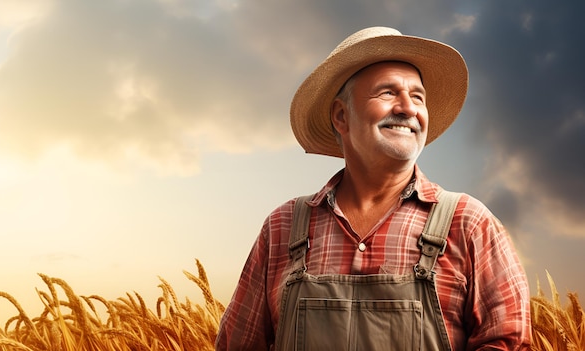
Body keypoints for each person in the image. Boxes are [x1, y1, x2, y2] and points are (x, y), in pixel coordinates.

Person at [216, 27, 531, 350]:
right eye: (388, 93)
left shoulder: (468, 223)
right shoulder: (283, 227)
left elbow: (509, 343)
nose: (408, 108)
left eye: (418, 97)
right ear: (341, 115)